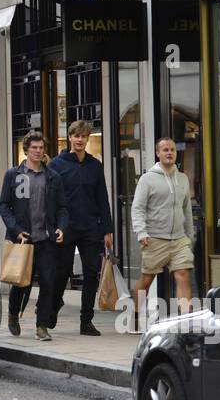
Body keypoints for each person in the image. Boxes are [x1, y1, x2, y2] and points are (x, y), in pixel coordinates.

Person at [0, 131, 68, 341]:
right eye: (34, 148)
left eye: (41, 148)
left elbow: (63, 207)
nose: (38, 151)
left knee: (48, 282)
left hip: (46, 238)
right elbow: (4, 205)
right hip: (23, 240)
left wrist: (61, 227)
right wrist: (16, 229)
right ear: (26, 150)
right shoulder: (14, 175)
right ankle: (12, 314)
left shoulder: (52, 177)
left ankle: (41, 326)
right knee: (21, 283)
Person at [50, 121, 115, 336]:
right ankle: (54, 304)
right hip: (66, 227)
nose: (80, 140)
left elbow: (102, 199)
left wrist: (107, 229)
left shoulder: (95, 166)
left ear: (87, 139)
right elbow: (51, 199)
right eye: (76, 136)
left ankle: (86, 320)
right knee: (61, 272)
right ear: (69, 138)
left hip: (90, 227)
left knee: (91, 274)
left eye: (83, 137)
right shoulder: (57, 165)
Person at [130, 137, 196, 330]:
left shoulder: (182, 178)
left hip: (179, 240)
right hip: (154, 239)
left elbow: (187, 210)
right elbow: (138, 208)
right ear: (158, 153)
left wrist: (189, 235)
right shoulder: (147, 179)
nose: (169, 153)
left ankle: (186, 322)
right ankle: (134, 313)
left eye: (172, 150)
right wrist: (141, 232)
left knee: (183, 274)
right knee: (147, 279)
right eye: (165, 150)